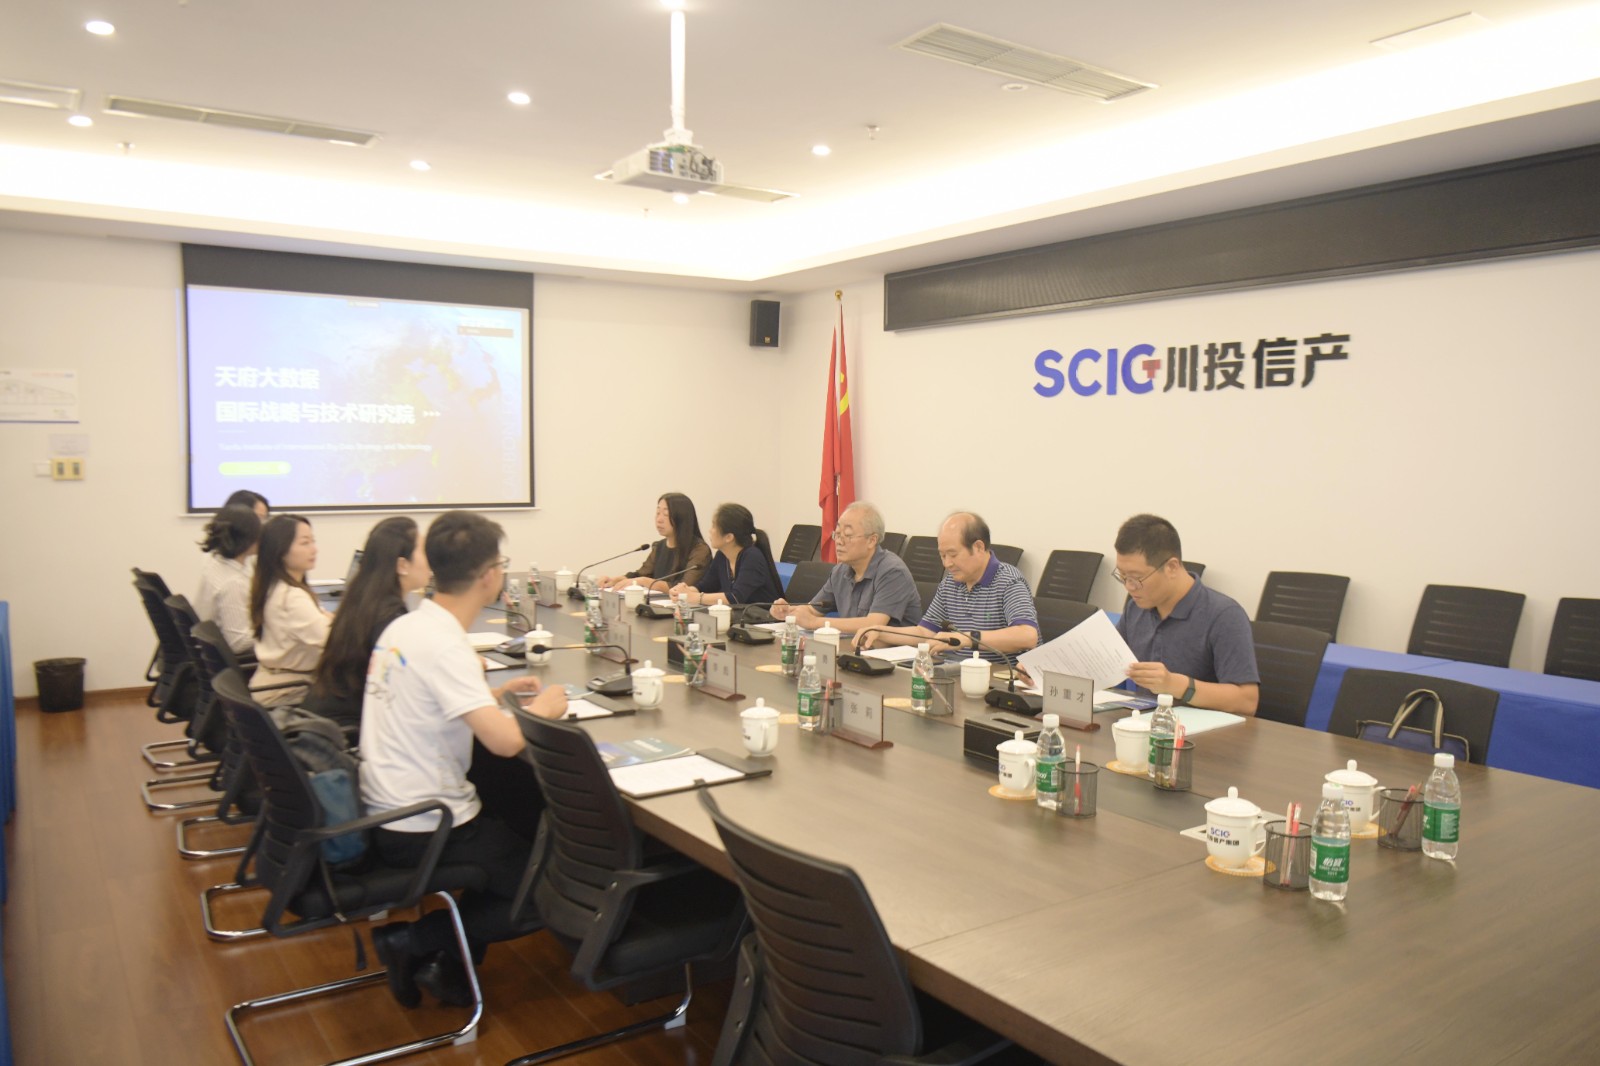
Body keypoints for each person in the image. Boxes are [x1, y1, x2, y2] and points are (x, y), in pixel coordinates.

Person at [360, 511, 565, 1008]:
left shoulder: (408, 625)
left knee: (517, 821)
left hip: (386, 805)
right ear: (490, 575)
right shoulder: (446, 645)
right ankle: (412, 941)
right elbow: (506, 744)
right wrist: (545, 708)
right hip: (424, 824)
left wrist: (492, 695)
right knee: (554, 889)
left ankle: (445, 964)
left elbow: (429, 700)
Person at [1112, 514, 1259, 715]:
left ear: (1171, 567)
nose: (1129, 587)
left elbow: (1247, 701)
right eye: (1123, 576)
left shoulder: (1224, 615)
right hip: (1144, 723)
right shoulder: (1136, 608)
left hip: (1203, 731)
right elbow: (1109, 664)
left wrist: (1176, 685)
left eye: (1137, 578)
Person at [855, 512, 1038, 664]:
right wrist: (880, 631)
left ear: (978, 547)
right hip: (952, 673)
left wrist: (967, 639)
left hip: (994, 679)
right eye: (942, 556)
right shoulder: (950, 583)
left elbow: (1027, 635)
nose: (947, 564)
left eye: (953, 554)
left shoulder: (1009, 580)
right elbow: (925, 632)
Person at [300, 517, 429, 731]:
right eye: (423, 551)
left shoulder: (363, 599)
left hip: (324, 719)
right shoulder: (389, 617)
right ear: (402, 565)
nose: (430, 559)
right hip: (347, 733)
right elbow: (406, 688)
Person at [770, 501, 920, 634]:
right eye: (837, 534)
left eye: (848, 535)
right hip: (854, 649)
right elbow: (812, 609)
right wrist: (788, 611)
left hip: (894, 653)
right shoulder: (840, 571)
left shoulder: (893, 572)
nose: (839, 541)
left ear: (872, 540)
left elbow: (873, 625)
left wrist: (814, 623)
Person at [248, 514, 332, 705]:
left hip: (276, 682)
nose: (314, 549)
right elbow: (333, 640)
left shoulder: (274, 586)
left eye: (313, 541)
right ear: (281, 550)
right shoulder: (291, 597)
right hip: (288, 693)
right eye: (305, 543)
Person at [669, 502, 784, 608]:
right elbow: (706, 586)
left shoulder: (752, 557)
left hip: (764, 619)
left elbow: (736, 598)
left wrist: (696, 597)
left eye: (714, 526)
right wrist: (685, 591)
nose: (710, 530)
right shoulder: (722, 555)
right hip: (740, 618)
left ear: (729, 537)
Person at [598, 492, 712, 592]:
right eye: (658, 513)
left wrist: (644, 581)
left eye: (666, 515)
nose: (659, 519)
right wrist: (614, 580)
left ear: (681, 518)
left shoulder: (700, 550)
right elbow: (640, 574)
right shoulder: (659, 546)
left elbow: (684, 587)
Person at [194, 504, 261, 655]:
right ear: (247, 538)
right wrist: (275, 629)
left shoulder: (216, 564)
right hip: (234, 663)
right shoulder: (233, 583)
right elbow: (238, 643)